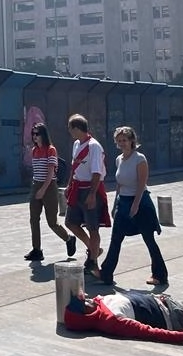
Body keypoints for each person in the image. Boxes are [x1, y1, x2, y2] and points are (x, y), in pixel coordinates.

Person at [94, 126, 167, 286]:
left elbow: (141, 184)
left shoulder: (139, 159)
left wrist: (135, 205)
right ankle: (106, 274)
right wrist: (115, 204)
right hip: (123, 202)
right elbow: (119, 184)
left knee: (149, 239)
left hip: (141, 203)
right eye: (119, 141)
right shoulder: (119, 159)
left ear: (132, 141)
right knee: (116, 239)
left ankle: (160, 275)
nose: (122, 143)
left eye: (124, 140)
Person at [64, 289, 183, 345]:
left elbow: (82, 292)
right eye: (84, 303)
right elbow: (147, 332)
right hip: (173, 317)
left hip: (165, 303)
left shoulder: (98, 302)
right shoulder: (110, 321)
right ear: (85, 315)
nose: (87, 299)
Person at [64, 114, 110, 275]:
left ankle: (93, 262)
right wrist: (69, 185)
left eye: (70, 128)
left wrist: (92, 194)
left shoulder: (94, 146)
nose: (69, 131)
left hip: (90, 189)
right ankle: (93, 248)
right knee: (70, 222)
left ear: (77, 128)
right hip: (77, 187)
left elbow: (97, 172)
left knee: (92, 227)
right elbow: (74, 167)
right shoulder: (76, 144)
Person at [25, 122, 76, 261]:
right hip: (36, 185)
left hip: (49, 187)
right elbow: (36, 171)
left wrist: (42, 190)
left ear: (43, 134)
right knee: (33, 219)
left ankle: (68, 238)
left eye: (37, 134)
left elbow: (50, 173)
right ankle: (37, 250)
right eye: (33, 134)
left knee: (52, 222)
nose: (35, 136)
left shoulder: (51, 150)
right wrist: (36, 188)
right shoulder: (34, 151)